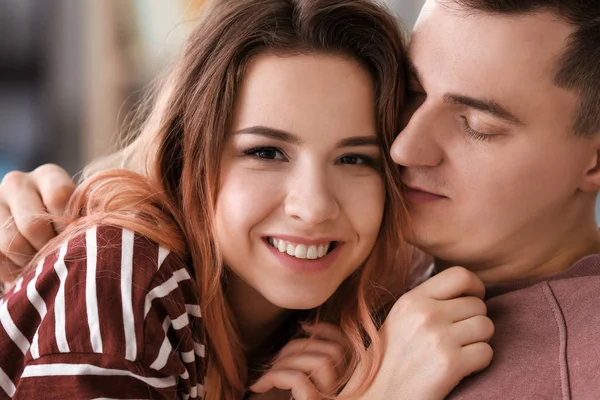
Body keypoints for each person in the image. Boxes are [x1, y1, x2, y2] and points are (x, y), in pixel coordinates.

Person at [0, 0, 494, 399]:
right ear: (187, 158)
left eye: (355, 160)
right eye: (266, 152)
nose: (315, 206)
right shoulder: (120, 270)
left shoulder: (336, 325)